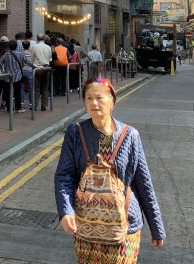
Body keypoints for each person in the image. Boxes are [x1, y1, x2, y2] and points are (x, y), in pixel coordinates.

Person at [54, 78, 165, 263]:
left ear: (112, 101)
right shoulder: (75, 132)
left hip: (125, 226)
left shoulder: (130, 135)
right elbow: (64, 176)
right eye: (88, 98)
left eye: (99, 97)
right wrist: (66, 211)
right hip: (88, 224)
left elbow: (143, 184)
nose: (93, 103)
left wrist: (157, 228)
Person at [0, 38, 24, 112]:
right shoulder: (20, 54)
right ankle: (18, 107)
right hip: (18, 76)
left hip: (8, 77)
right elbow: (26, 62)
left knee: (7, 92)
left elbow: (0, 64)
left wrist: (3, 71)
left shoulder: (5, 55)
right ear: (16, 46)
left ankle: (9, 107)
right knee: (17, 92)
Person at [32, 35, 53, 111]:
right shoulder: (48, 47)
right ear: (44, 39)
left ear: (37, 39)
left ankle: (35, 105)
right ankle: (44, 105)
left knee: (36, 87)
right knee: (45, 87)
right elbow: (50, 59)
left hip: (37, 68)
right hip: (46, 67)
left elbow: (32, 59)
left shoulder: (34, 47)